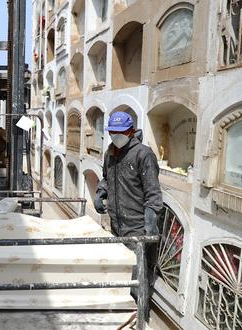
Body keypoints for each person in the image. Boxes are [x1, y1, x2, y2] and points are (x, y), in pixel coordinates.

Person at [93, 111, 163, 325]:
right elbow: (107, 177)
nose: (116, 136)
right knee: (121, 271)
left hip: (137, 227)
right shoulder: (110, 153)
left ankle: (139, 317)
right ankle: (121, 314)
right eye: (112, 132)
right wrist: (100, 192)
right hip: (117, 225)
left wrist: (150, 225)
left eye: (120, 132)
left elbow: (153, 193)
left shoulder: (143, 155)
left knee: (138, 278)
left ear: (131, 131)